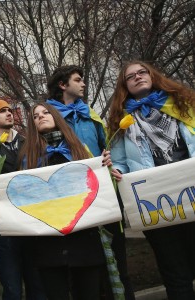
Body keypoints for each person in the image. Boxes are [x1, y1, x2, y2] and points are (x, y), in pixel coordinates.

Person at [107, 61, 195, 300]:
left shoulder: (183, 104)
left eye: (142, 72)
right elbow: (120, 162)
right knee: (175, 272)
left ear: (152, 75)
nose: (137, 77)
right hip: (156, 206)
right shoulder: (121, 120)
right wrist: (115, 171)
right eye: (130, 77)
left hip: (192, 195)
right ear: (125, 86)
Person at [46, 65, 135, 299]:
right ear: (63, 85)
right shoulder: (49, 118)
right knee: (89, 268)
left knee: (118, 257)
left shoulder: (90, 114)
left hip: (104, 194)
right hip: (76, 201)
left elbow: (107, 146)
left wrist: (109, 159)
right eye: (77, 80)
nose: (83, 84)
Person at [16, 102, 114, 300]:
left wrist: (106, 169)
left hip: (84, 242)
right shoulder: (27, 158)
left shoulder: (79, 149)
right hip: (49, 248)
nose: (40, 117)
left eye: (45, 113)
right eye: (35, 116)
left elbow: (97, 189)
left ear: (56, 117)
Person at [0, 99, 44, 300]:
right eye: (2, 111)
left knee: (37, 280)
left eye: (9, 110)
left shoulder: (27, 142)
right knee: (11, 284)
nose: (9, 113)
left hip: (32, 219)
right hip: (5, 226)